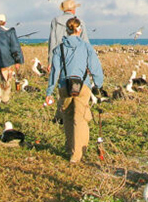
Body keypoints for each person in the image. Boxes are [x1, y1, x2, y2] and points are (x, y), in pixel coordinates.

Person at [44, 17, 104, 163]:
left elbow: (55, 72)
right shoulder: (86, 47)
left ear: (67, 30)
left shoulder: (59, 49)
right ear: (79, 29)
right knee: (80, 119)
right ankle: (77, 154)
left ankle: (71, 149)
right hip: (82, 86)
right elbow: (95, 67)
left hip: (64, 86)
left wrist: (49, 91)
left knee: (68, 119)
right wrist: (99, 84)